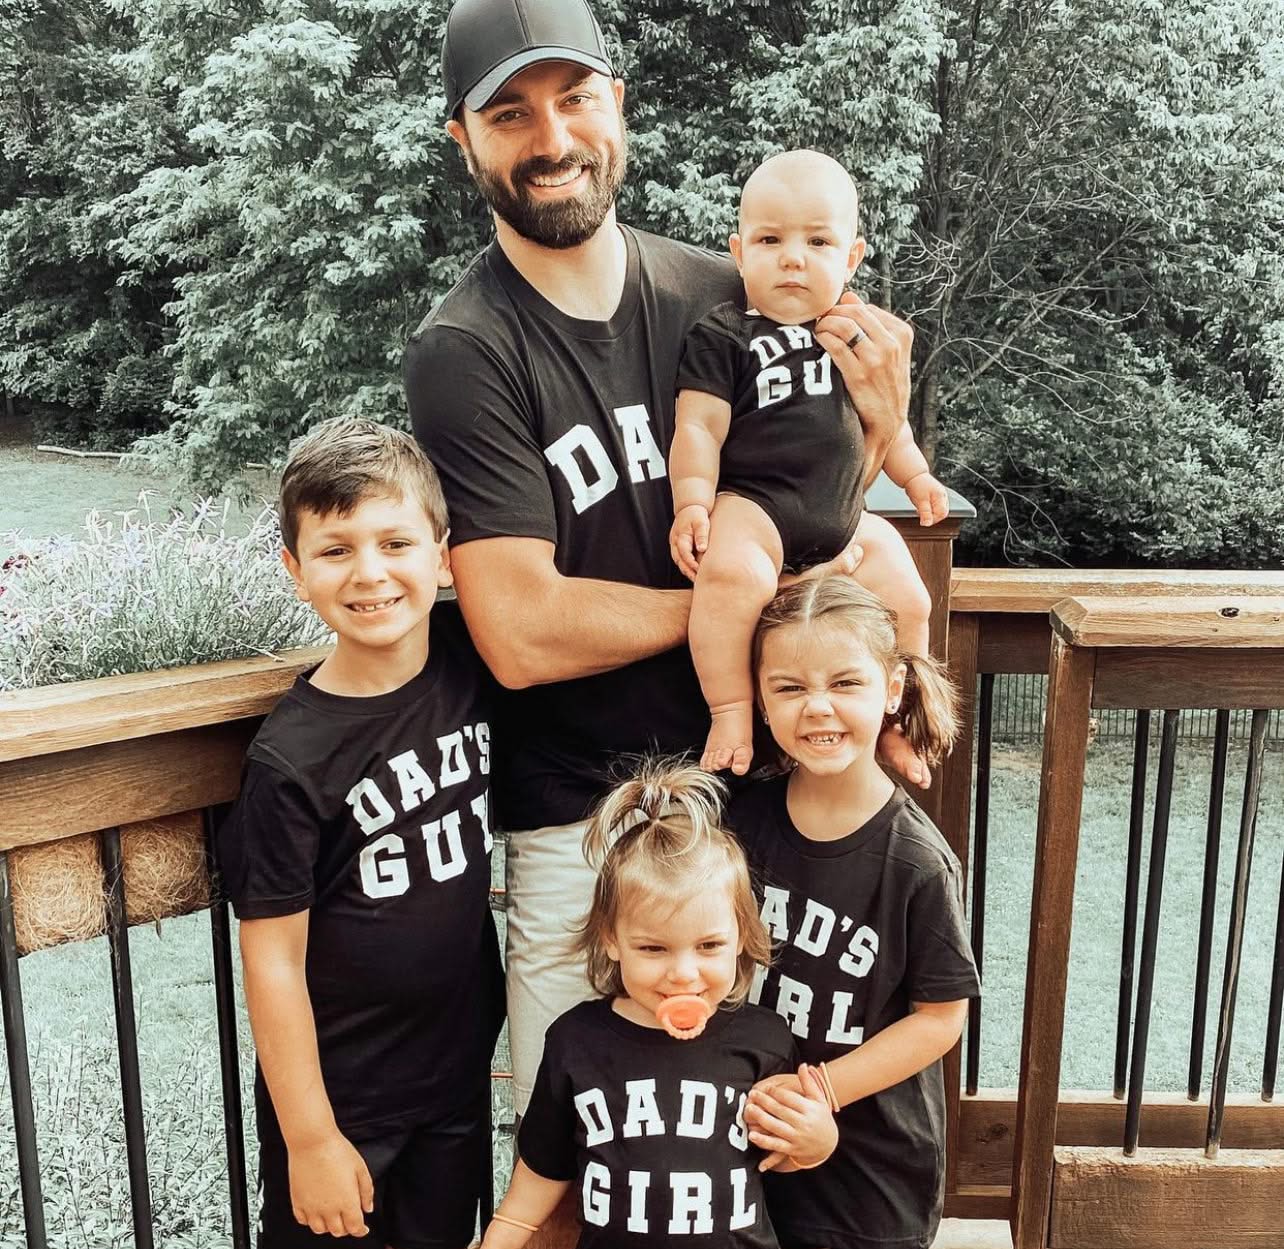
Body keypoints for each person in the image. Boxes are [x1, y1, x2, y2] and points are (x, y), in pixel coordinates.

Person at [405, 0, 914, 1145]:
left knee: (752, 1151)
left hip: (763, 809)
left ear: (618, 106)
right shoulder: (467, 349)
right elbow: (520, 630)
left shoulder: (727, 287)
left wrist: (886, 420)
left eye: (575, 98)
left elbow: (835, 478)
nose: (553, 138)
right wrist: (736, 604)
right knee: (577, 1160)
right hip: (580, 830)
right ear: (463, 138)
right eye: (510, 113)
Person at [216, 418, 504, 1247]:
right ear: (295, 571)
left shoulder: (471, 668)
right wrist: (309, 1139)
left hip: (453, 1081)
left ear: (443, 556)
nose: (370, 572)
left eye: (395, 542)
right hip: (344, 1104)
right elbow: (272, 960)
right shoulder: (290, 758)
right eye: (336, 550)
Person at [669, 149, 948, 778]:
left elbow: (888, 419)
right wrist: (692, 502)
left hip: (844, 513)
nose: (793, 258)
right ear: (740, 253)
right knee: (730, 580)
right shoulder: (724, 334)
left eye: (818, 241)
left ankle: (897, 720)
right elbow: (698, 428)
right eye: (770, 240)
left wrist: (917, 477)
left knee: (911, 599)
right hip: (755, 506)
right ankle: (731, 711)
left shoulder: (854, 333)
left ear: (851, 258)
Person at [481, 762, 839, 1249]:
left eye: (709, 946)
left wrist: (819, 1141)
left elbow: (785, 1157)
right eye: (654, 948)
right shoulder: (575, 1042)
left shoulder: (765, 1039)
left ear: (741, 936)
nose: (684, 973)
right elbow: (533, 1190)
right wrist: (500, 1236)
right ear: (611, 939)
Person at [724, 577, 980, 1249]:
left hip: (870, 1180)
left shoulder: (917, 862)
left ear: (892, 689)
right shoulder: (738, 826)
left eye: (845, 683)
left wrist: (822, 1091)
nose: (818, 707)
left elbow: (941, 1017)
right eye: (789, 687)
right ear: (759, 697)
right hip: (752, 1155)